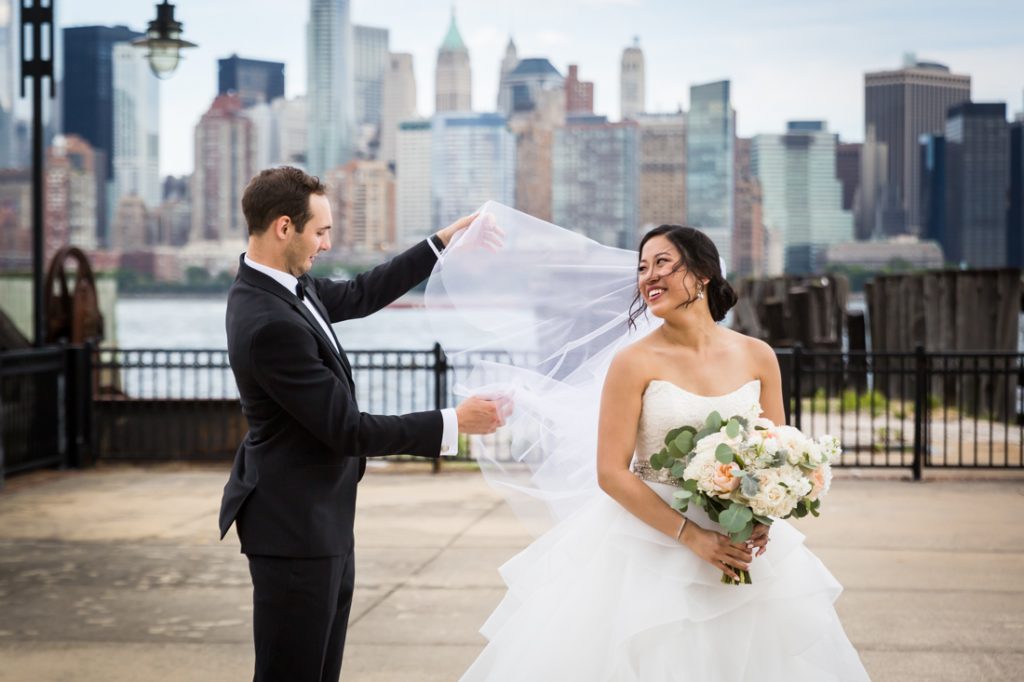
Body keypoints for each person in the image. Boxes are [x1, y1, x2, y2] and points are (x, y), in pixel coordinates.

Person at [437, 215, 869, 680]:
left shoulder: (757, 355)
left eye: (663, 262)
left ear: (702, 273)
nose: (650, 276)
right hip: (652, 542)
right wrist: (693, 537)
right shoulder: (633, 362)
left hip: (742, 541)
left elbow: (779, 450)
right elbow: (611, 471)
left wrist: (765, 517)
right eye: (642, 268)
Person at [218, 166, 508, 682]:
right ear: (285, 227)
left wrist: (442, 242)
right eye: (321, 231)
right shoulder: (269, 323)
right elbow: (347, 429)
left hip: (318, 518)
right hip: (292, 529)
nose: (326, 243)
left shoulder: (286, 287)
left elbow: (361, 292)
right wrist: (452, 421)